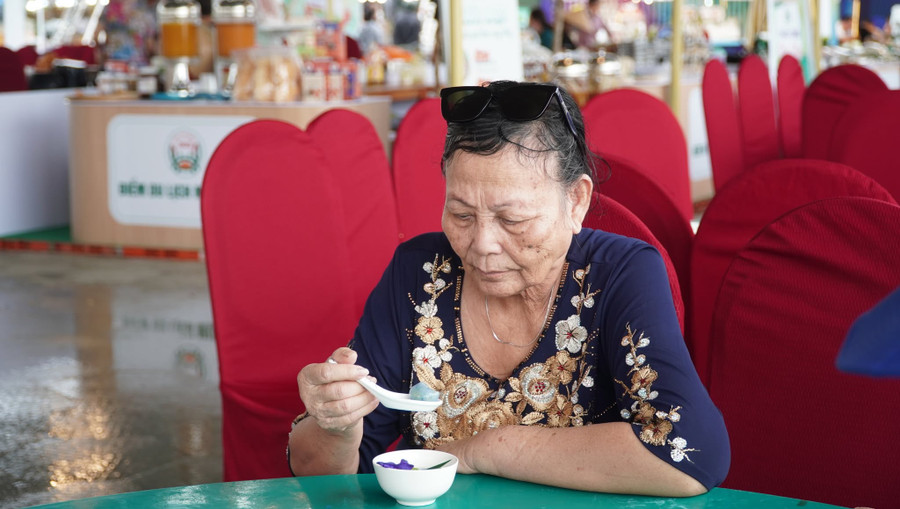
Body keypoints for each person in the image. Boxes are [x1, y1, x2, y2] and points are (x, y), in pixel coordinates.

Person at [288, 80, 730, 495]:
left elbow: (691, 452)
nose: (482, 244)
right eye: (461, 215)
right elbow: (320, 479)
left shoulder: (621, 274)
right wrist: (336, 426)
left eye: (512, 219)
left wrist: (490, 449)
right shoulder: (419, 273)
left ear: (576, 201)